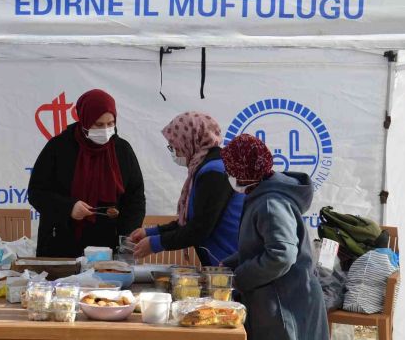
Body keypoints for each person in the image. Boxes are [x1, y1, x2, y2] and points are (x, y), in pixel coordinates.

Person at [220, 134, 329, 340]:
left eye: (230, 170)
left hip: (287, 303)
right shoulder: (261, 196)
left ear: (244, 170)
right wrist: (229, 264)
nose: (228, 175)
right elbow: (261, 244)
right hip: (279, 299)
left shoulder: (270, 202)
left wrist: (239, 277)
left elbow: (282, 255)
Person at [28, 89, 145, 257]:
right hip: (60, 245)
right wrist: (68, 207)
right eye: (98, 124)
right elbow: (37, 193)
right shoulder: (58, 148)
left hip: (107, 249)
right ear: (84, 119)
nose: (105, 130)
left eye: (110, 123)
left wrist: (126, 238)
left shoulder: (122, 151)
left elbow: (135, 198)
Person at [130, 112, 243, 267]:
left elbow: (200, 228)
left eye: (173, 146)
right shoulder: (204, 168)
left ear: (189, 140)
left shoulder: (214, 172)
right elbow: (188, 222)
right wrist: (150, 233)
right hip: (222, 262)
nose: (174, 152)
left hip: (232, 264)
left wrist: (155, 243)